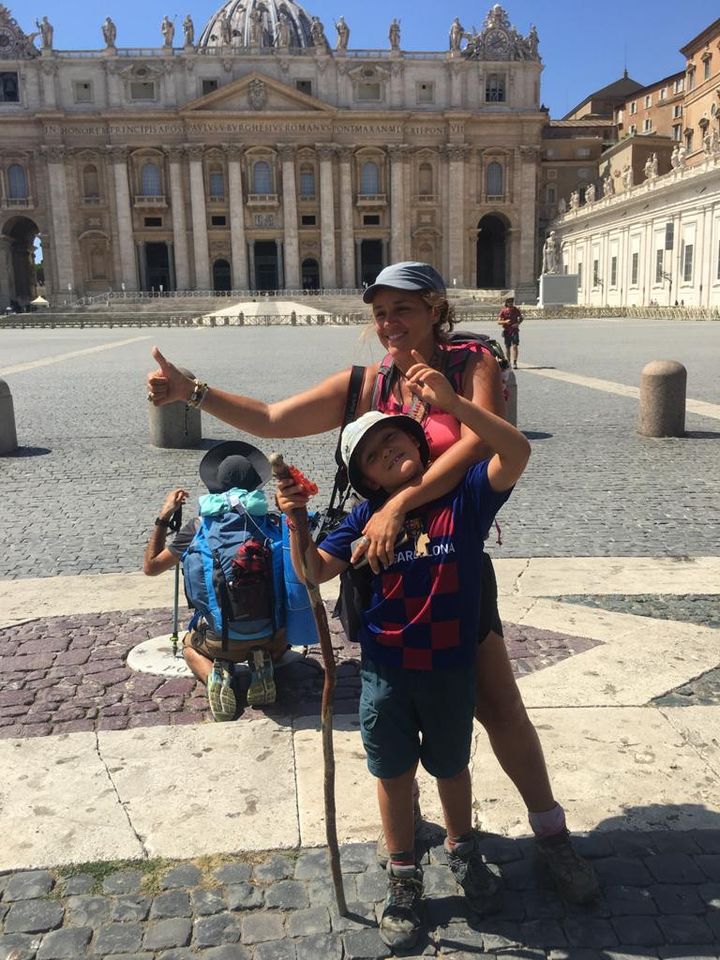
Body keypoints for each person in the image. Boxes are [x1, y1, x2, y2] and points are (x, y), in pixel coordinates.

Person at [147, 261, 599, 904]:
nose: (388, 323)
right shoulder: (369, 381)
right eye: (379, 312)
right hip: (379, 567)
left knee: (498, 705)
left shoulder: (472, 361)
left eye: (402, 309)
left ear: (435, 306)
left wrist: (397, 504)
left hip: (451, 557)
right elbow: (276, 418)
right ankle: (406, 838)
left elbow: (477, 445)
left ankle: (552, 836)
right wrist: (193, 392)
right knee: (393, 707)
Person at [276, 361, 531, 948]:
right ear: (363, 478)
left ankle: (464, 851)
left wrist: (456, 404)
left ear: (418, 442)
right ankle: (403, 875)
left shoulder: (464, 499)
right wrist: (294, 519)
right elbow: (313, 571)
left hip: (449, 669)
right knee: (392, 775)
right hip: (386, 675)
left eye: (395, 438)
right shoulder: (363, 517)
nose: (388, 452)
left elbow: (514, 451)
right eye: (372, 454)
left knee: (452, 767)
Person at [143, 441, 287, 719]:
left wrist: (164, 517)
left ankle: (215, 675)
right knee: (284, 638)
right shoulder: (271, 523)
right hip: (272, 638)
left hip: (220, 640)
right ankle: (262, 663)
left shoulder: (197, 528)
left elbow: (151, 567)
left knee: (187, 647)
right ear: (256, 486)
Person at [497, 296, 523, 368]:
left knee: (515, 346)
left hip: (514, 330)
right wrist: (505, 321)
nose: (511, 303)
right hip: (507, 331)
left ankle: (515, 362)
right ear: (506, 303)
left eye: (512, 302)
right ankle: (508, 362)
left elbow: (521, 318)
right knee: (507, 347)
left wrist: (517, 323)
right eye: (509, 302)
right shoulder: (503, 311)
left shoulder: (516, 310)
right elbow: (498, 322)